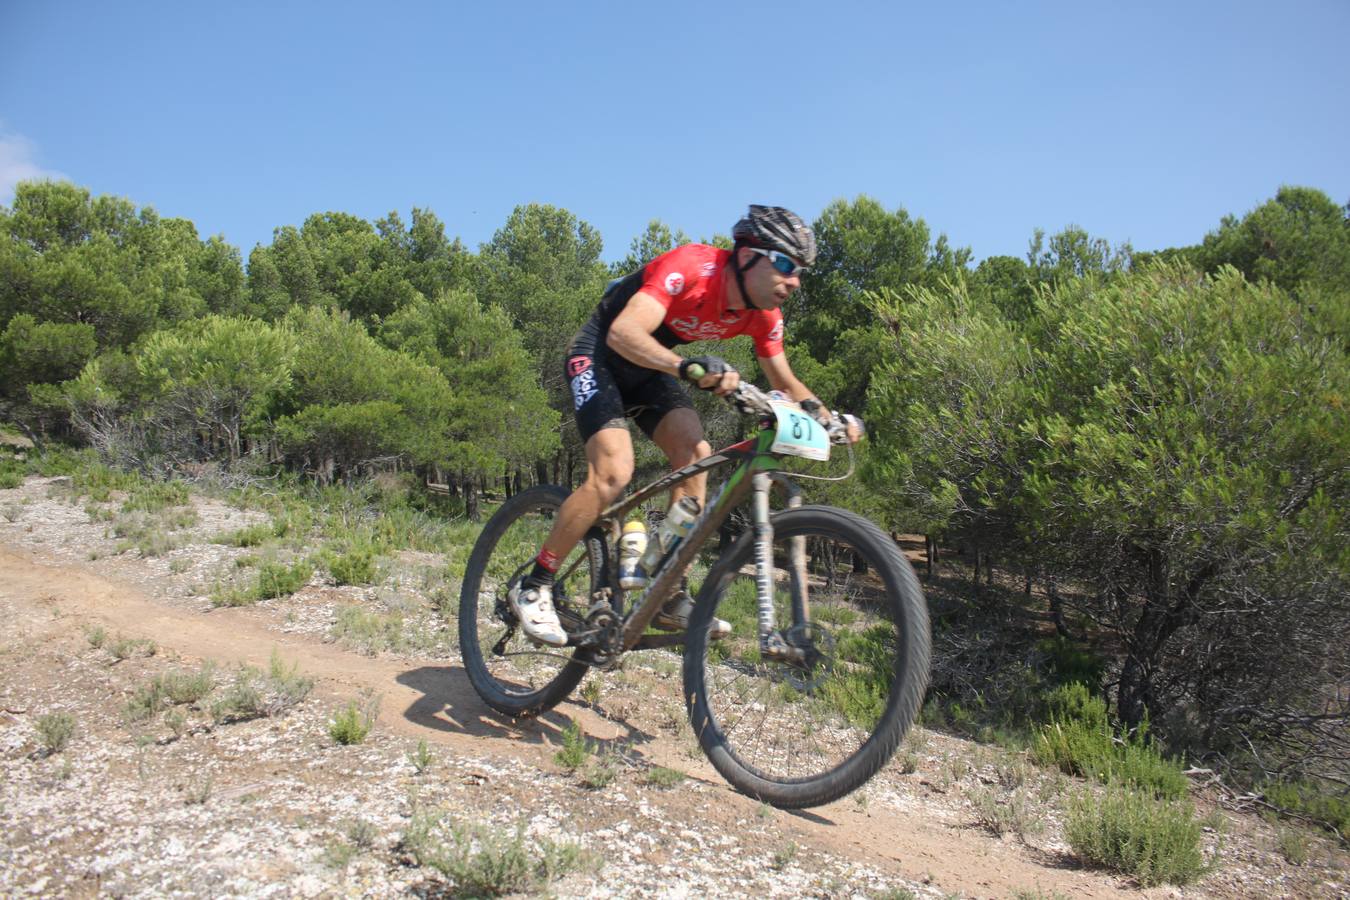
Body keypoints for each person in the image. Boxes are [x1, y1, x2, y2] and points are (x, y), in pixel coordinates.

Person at [510, 205, 855, 645]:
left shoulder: (763, 314)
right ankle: (535, 583)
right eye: (786, 264)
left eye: (801, 271)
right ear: (748, 255)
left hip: (652, 365)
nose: (794, 281)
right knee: (614, 472)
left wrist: (829, 420)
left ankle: (668, 590)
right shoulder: (693, 266)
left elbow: (785, 381)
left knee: (697, 456)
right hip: (600, 352)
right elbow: (623, 332)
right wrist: (686, 366)